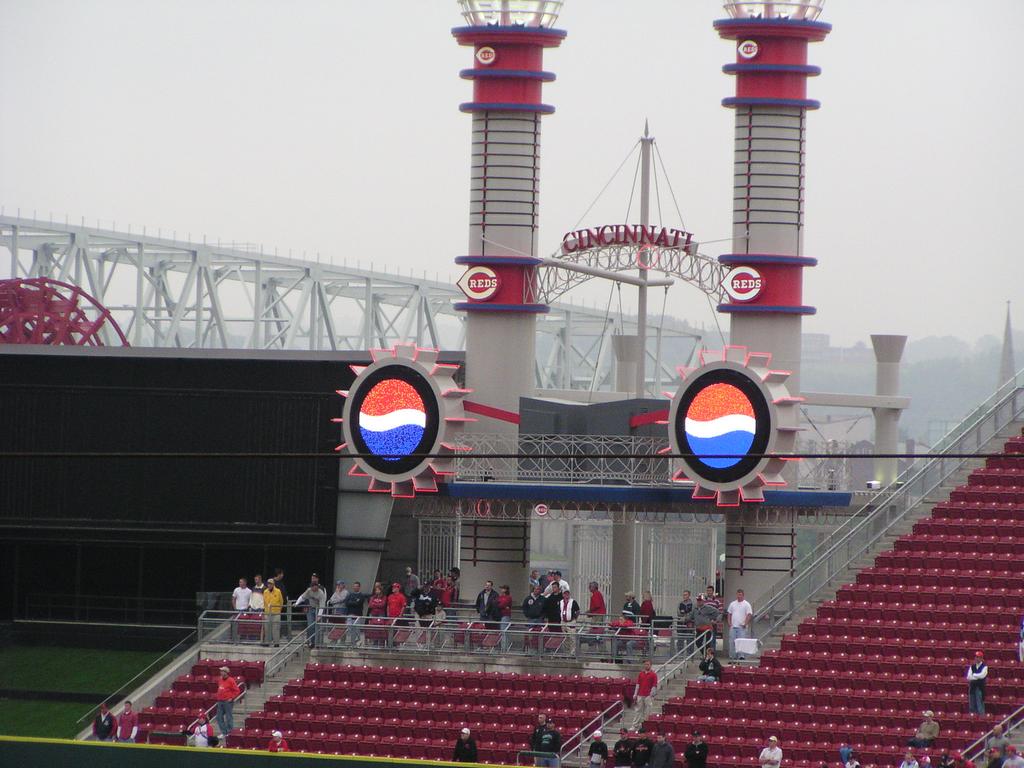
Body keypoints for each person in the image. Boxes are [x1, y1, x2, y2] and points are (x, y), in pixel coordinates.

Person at [295, 576, 326, 648]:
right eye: (312, 587)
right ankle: (310, 641)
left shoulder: (321, 593)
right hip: (311, 608)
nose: (314, 589)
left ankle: (316, 642)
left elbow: (322, 606)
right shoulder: (309, 591)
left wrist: (319, 615)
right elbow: (302, 597)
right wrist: (296, 603)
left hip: (318, 609)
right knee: (310, 625)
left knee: (317, 626)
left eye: (315, 587)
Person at [726, 588, 753, 660]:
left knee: (741, 642)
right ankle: (732, 656)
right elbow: (729, 613)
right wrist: (729, 622)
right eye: (738, 594)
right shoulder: (732, 604)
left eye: (740, 595)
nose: (739, 596)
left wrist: (745, 623)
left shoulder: (746, 604)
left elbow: (749, 614)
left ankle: (741, 656)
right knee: (732, 642)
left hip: (742, 627)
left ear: (743, 595)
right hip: (733, 627)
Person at [631, 659, 658, 730]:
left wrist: (651, 695)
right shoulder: (641, 674)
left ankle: (646, 726)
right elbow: (638, 684)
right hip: (640, 695)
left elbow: (654, 686)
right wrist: (635, 694)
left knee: (648, 711)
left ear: (651, 665)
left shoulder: (653, 675)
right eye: (645, 664)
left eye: (648, 664)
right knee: (638, 711)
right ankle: (635, 725)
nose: (646, 665)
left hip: (648, 696)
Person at [215, 666, 241, 737]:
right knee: (219, 717)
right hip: (220, 701)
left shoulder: (231, 680)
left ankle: (229, 732)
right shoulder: (220, 680)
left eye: (222, 671)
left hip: (227, 702)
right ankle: (224, 732)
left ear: (226, 672)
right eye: (220, 671)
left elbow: (237, 690)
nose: (221, 672)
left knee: (228, 717)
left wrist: (232, 698)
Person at [230, 577, 252, 642]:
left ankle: (244, 639)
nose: (240, 583)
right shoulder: (236, 590)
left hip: (245, 610)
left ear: (245, 582)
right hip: (237, 610)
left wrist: (248, 608)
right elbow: (233, 599)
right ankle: (233, 638)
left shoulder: (249, 591)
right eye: (239, 582)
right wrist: (235, 608)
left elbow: (250, 601)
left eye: (241, 582)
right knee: (234, 623)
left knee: (244, 625)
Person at [263, 577, 283, 646]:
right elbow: (264, 602)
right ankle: (267, 642)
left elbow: (281, 602)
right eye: (268, 584)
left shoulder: (278, 591)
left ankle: (276, 643)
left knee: (276, 628)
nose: (269, 585)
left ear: (273, 584)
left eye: (270, 584)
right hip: (267, 612)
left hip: (276, 613)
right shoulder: (265, 592)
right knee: (267, 628)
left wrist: (278, 610)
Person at [559, 589, 581, 653]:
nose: (566, 595)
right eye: (565, 594)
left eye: (568, 593)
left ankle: (573, 652)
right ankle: (566, 651)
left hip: (571, 621)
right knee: (565, 638)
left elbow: (578, 611)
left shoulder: (573, 601)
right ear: (563, 595)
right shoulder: (561, 602)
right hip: (563, 622)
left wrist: (574, 618)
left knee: (572, 637)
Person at [497, 585, 514, 649]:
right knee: (501, 631)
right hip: (499, 615)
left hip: (505, 615)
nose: (501, 590)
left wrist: (501, 605)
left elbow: (502, 604)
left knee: (504, 631)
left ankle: (505, 647)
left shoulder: (508, 597)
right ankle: (502, 646)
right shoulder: (500, 597)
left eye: (503, 589)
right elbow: (496, 603)